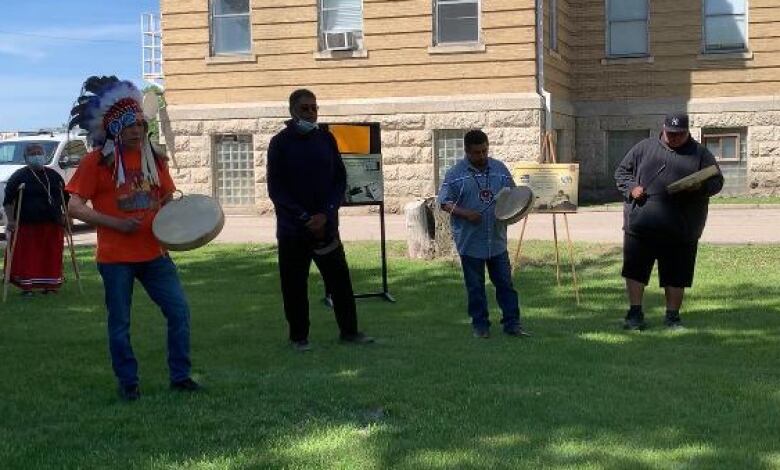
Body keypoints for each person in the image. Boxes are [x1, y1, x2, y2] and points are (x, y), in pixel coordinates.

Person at [65, 76, 200, 400]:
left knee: (179, 312)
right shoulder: (95, 162)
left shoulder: (155, 157)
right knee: (120, 324)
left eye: (139, 124)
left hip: (155, 255)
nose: (136, 131)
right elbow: (73, 206)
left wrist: (177, 220)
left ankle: (180, 376)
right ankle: (129, 384)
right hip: (115, 260)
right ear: (114, 129)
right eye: (129, 126)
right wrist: (114, 223)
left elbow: (167, 197)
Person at [267, 89, 373, 351]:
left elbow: (339, 179)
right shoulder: (279, 143)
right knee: (294, 286)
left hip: (326, 226)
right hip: (294, 229)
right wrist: (303, 217)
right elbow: (276, 189)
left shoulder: (326, 139)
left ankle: (349, 332)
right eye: (305, 109)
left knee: (339, 281)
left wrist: (326, 213)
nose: (311, 113)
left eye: (315, 108)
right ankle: (298, 337)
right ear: (292, 111)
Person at [614, 113, 724, 330]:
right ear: (663, 129)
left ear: (687, 132)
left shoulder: (700, 153)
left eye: (679, 135)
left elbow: (717, 182)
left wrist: (700, 187)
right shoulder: (644, 147)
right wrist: (631, 189)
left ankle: (672, 317)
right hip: (641, 225)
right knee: (635, 271)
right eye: (670, 134)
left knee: (677, 274)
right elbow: (621, 173)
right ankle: (635, 314)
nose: (674, 138)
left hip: (682, 227)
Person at [438, 130, 529, 338]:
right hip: (470, 242)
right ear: (467, 151)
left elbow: (513, 196)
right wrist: (465, 213)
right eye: (477, 153)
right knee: (475, 287)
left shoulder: (499, 169)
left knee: (505, 284)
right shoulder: (455, 174)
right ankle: (481, 326)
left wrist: (514, 208)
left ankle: (512, 324)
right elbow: (444, 202)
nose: (482, 156)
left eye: (485, 151)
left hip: (496, 240)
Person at [2, 144, 67, 296]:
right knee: (28, 257)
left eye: (39, 152)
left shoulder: (54, 175)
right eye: (32, 153)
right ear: (26, 158)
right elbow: (8, 201)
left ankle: (50, 286)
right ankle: (27, 288)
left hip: (52, 223)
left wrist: (66, 216)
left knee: (50, 255)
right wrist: (11, 220)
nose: (36, 155)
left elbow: (65, 198)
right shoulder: (19, 176)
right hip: (27, 224)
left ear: (44, 155)